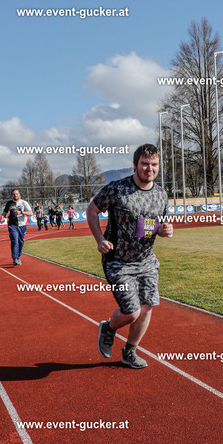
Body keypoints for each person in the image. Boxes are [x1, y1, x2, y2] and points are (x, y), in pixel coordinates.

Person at [87, 143, 173, 369]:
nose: (149, 168)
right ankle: (109, 328)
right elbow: (92, 210)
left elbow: (156, 226)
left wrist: (164, 231)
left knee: (147, 307)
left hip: (146, 261)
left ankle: (129, 352)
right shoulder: (117, 189)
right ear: (135, 165)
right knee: (132, 312)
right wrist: (99, 239)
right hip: (118, 262)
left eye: (154, 164)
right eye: (144, 164)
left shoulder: (161, 194)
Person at [2, 188, 33, 265]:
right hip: (12, 225)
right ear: (11, 195)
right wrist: (2, 217)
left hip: (22, 225)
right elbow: (5, 212)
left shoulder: (24, 203)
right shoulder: (9, 203)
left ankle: (18, 256)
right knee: (14, 241)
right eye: (13, 194)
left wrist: (22, 212)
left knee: (21, 242)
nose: (15, 195)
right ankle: (15, 258)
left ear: (19, 194)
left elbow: (31, 213)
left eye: (16, 194)